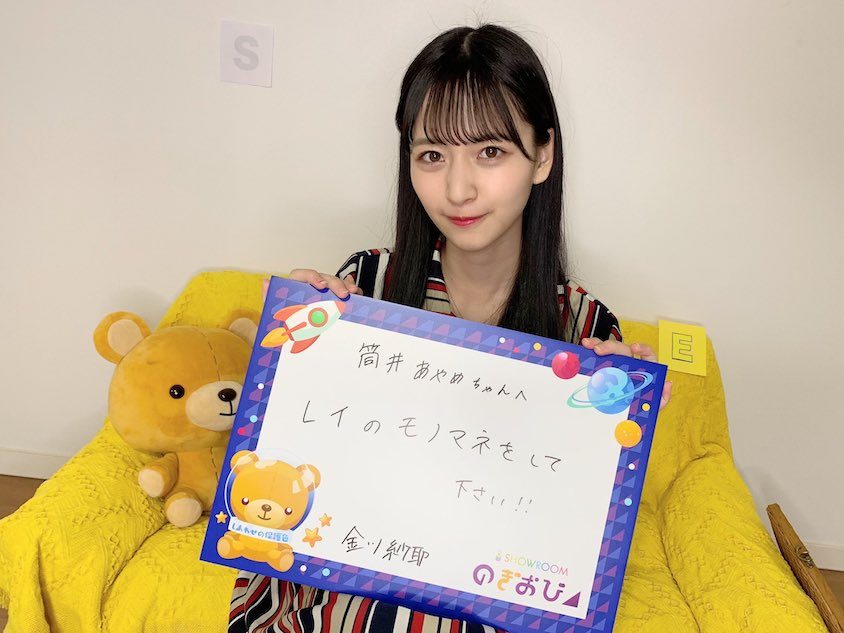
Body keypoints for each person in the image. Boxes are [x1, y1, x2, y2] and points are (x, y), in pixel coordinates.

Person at [229, 23, 670, 633]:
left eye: (490, 152)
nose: (458, 189)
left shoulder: (585, 329)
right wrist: (290, 357)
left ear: (542, 155)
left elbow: (573, 545)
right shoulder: (366, 287)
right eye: (432, 155)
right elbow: (289, 484)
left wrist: (623, 432)